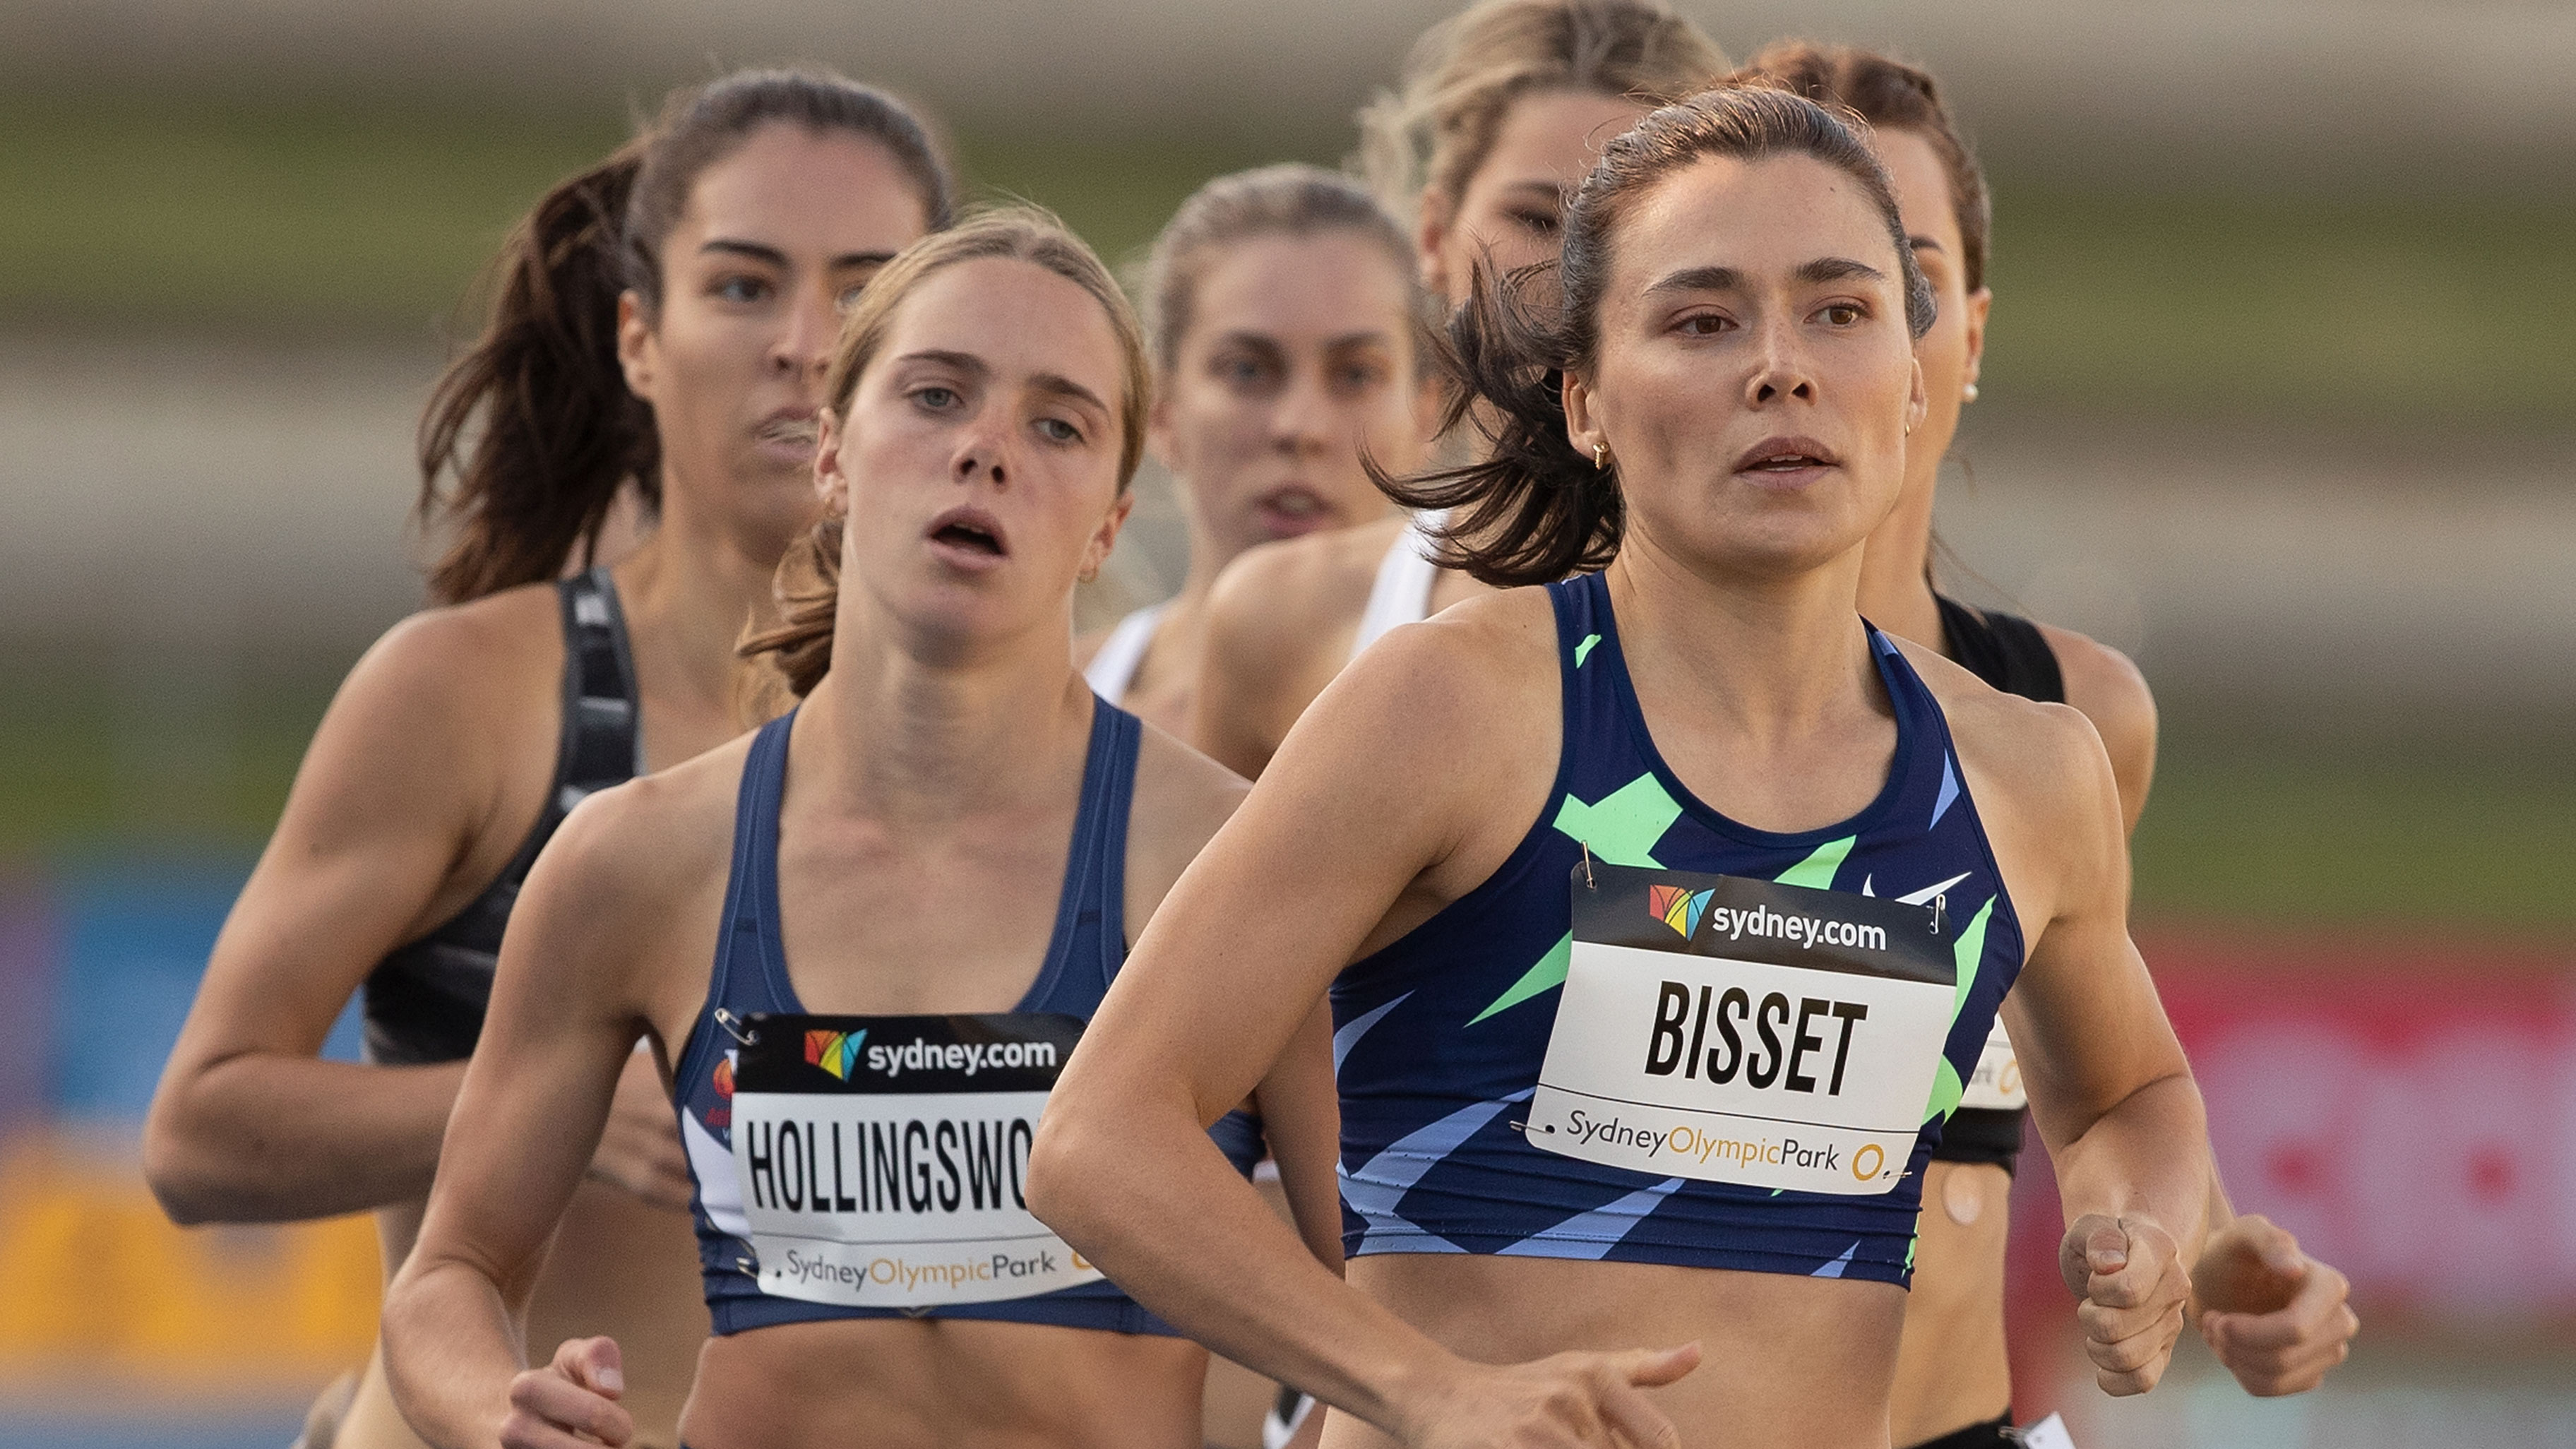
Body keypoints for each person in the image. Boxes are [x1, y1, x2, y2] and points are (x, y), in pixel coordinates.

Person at [1031, 84, 2221, 1447]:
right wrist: (1422, 1386)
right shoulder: (1452, 708)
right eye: (1702, 320)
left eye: (1838, 311)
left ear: (1911, 370)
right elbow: (1100, 1139)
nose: (1780, 366)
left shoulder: (2021, 774)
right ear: (1584, 401)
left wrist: (2137, 1221)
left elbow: (2131, 1092)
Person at [378, 208, 1344, 1449]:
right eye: (937, 396)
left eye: (1056, 424)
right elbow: (450, 1269)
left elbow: (1385, 1295)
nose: (986, 451)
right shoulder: (641, 862)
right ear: (831, 453)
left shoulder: (1233, 862)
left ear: (1108, 522)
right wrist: (503, 1412)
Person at [139, 69, 952, 1449]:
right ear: (641, 337)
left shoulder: (1023, 736)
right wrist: (549, 1103)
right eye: (745, 288)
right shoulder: (475, 695)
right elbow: (196, 1136)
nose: (807, 345)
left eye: (864, 293)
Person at [1742, 43, 2358, 1445]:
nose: (1857, 331)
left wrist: (2205, 1263)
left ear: (1971, 331)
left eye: (1905, 278)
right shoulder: (1541, 691)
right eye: (1800, 279)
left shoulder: (2067, 726)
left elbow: (2092, 1084)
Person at [1189, 0, 1727, 778]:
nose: (1577, 279)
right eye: (1538, 217)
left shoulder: (1786, 643)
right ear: (1435, 235)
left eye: (1622, 230)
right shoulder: (1281, 623)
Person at [1078, 164, 1437, 739]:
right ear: (1161, 408)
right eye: (1247, 370)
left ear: (1427, 411)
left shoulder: (1483, 705)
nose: (1300, 426)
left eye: (1356, 375)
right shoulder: (1058, 708)